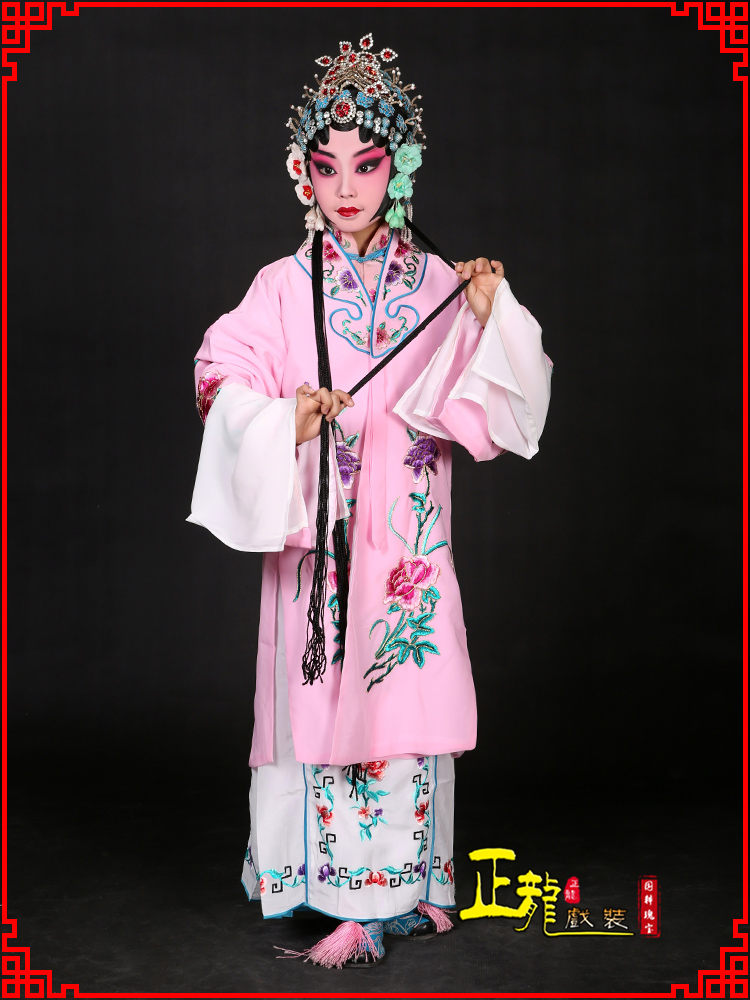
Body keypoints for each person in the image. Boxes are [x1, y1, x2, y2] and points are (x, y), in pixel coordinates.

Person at [188, 33, 553, 968]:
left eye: (367, 163)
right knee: (315, 699)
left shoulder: (438, 283)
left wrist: (491, 314)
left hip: (403, 546)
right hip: (318, 545)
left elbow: (494, 411)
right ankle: (314, 880)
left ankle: (395, 893)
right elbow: (219, 371)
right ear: (301, 174)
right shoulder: (279, 288)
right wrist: (285, 418)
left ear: (401, 167)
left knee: (403, 690)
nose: (345, 187)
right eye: (326, 166)